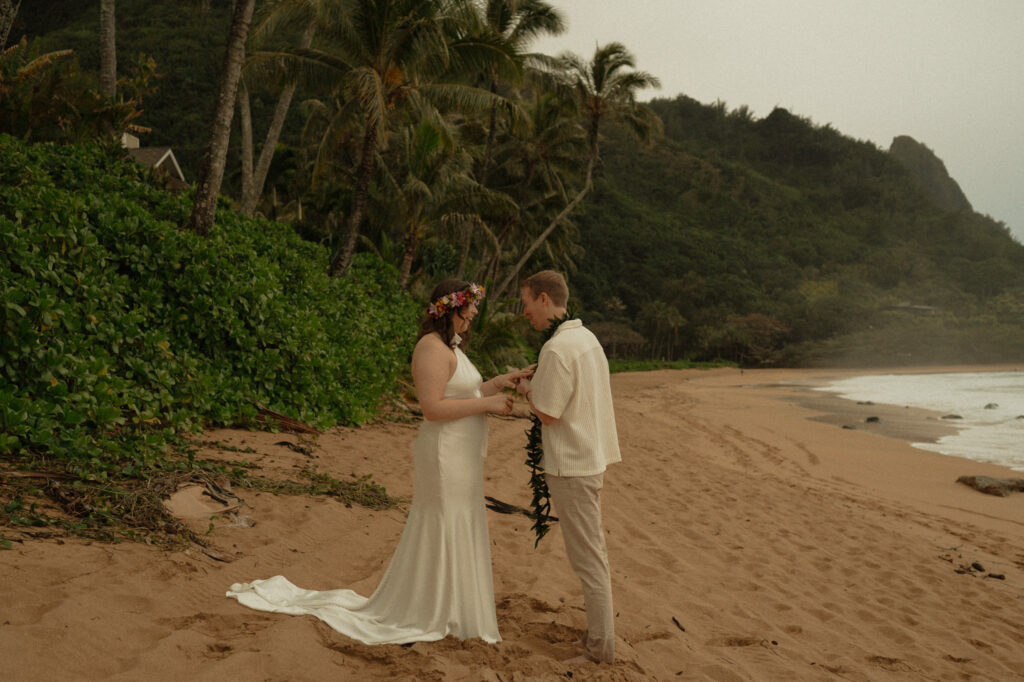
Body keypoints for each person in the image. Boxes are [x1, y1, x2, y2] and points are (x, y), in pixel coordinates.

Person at [227, 279, 531, 645]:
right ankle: (430, 608)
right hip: (444, 454)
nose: (474, 315)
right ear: (451, 309)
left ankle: (451, 607)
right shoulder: (431, 348)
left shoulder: (452, 348)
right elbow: (433, 408)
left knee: (458, 522)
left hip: (462, 456)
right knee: (442, 525)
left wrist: (496, 384)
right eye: (470, 309)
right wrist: (487, 405)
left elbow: (464, 392)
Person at [515, 270, 621, 664]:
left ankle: (599, 651)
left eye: (526, 302)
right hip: (589, 458)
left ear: (545, 299)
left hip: (573, 465)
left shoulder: (557, 349)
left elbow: (548, 412)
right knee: (591, 556)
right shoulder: (586, 338)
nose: (525, 312)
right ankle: (596, 638)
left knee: (588, 559)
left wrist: (527, 388)